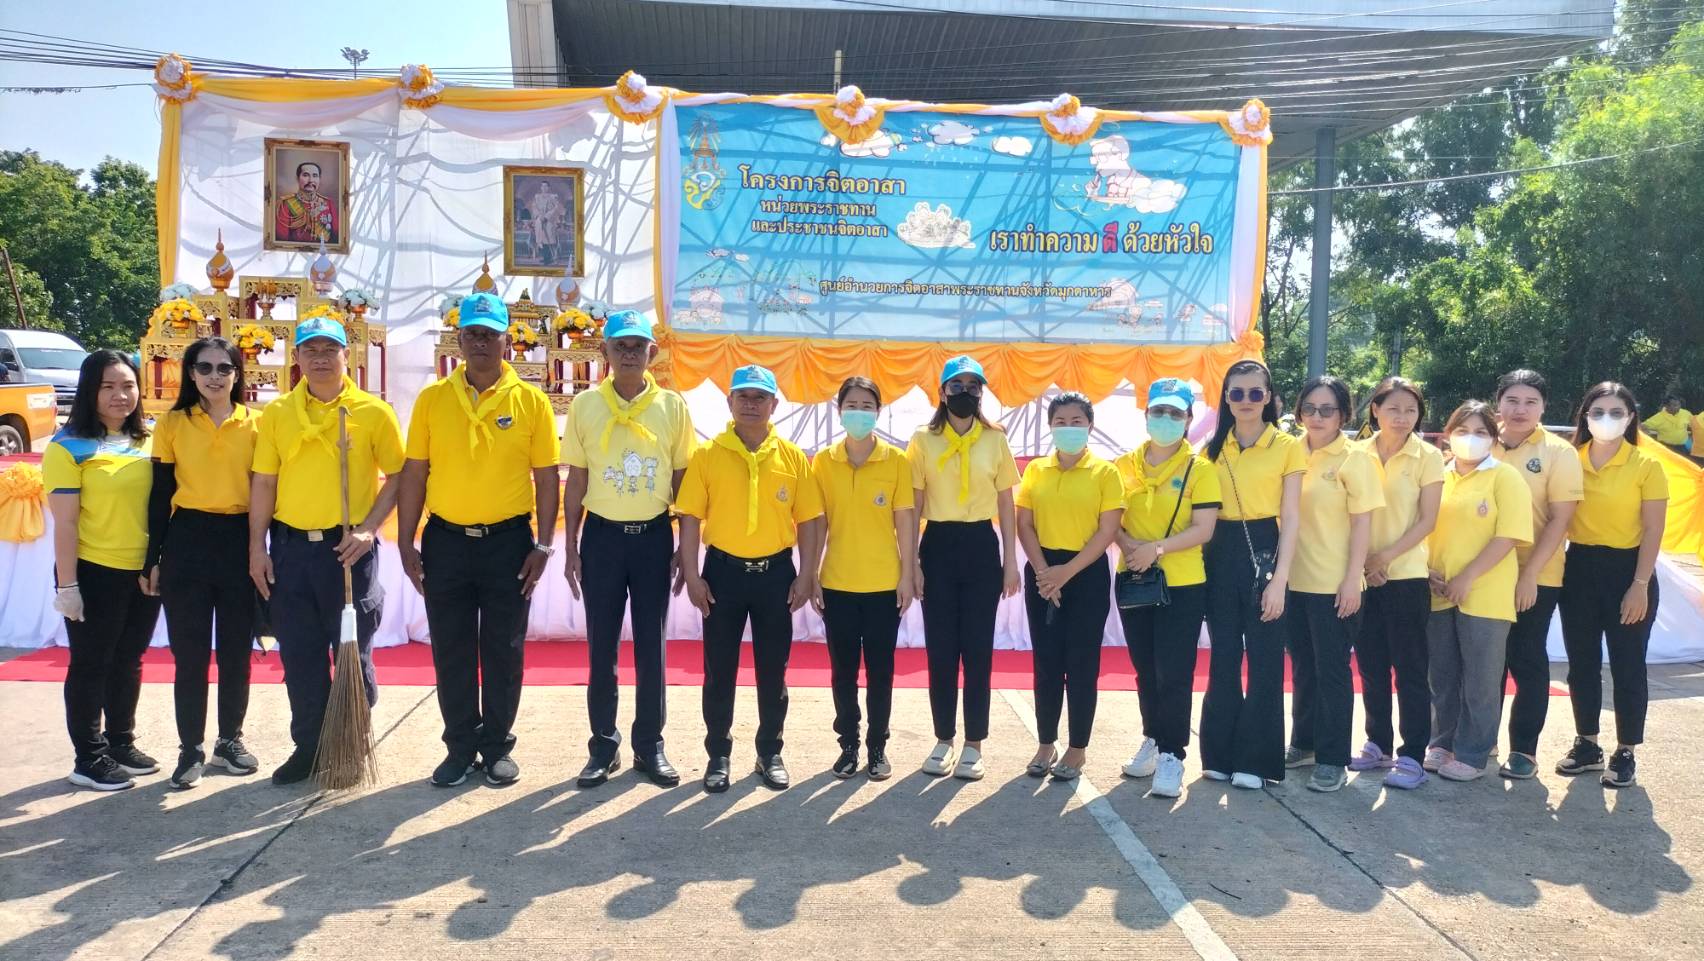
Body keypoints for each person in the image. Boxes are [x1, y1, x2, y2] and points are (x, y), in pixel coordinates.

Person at [397, 293, 560, 788]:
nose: (481, 342)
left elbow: (546, 477)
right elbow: (415, 472)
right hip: (446, 541)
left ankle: (496, 748)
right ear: (459, 339)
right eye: (472, 334)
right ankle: (460, 747)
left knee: (503, 649)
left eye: (490, 334)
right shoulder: (432, 399)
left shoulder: (530, 401)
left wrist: (544, 545)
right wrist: (405, 541)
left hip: (507, 543)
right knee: (451, 648)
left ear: (507, 339)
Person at [249, 314, 404, 785]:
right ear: (296, 357)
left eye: (328, 349)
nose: (320, 358)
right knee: (300, 654)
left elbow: (399, 476)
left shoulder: (372, 411)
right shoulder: (278, 414)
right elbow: (264, 483)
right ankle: (310, 747)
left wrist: (370, 529)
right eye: (310, 350)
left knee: (352, 652)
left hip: (347, 550)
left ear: (345, 355)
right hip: (292, 550)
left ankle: (351, 741)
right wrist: (257, 547)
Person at [561, 310, 694, 788]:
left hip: (653, 538)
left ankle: (649, 745)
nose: (631, 354)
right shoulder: (585, 405)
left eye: (639, 346)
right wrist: (571, 546)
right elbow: (576, 479)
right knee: (602, 646)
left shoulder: (672, 407)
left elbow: (683, 480)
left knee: (651, 646)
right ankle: (603, 745)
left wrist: (685, 547)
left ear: (652, 353)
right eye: (621, 346)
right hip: (602, 539)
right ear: (605, 352)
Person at [677, 365, 824, 793]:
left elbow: (809, 520)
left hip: (775, 575)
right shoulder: (708, 454)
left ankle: (769, 752)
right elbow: (690, 518)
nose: (751, 404)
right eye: (742, 396)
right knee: (718, 669)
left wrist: (807, 574)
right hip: (722, 574)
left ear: (774, 404)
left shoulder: (792, 457)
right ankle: (718, 755)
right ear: (729, 402)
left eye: (760, 397)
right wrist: (692, 575)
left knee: (773, 670)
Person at [146, 337, 261, 789]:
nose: (215, 376)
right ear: (190, 373)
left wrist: (262, 550)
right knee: (190, 654)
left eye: (224, 368)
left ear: (237, 374)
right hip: (187, 541)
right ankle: (190, 748)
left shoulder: (257, 424)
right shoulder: (172, 423)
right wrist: (152, 558)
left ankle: (230, 740)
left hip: (239, 541)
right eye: (205, 367)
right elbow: (160, 495)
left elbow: (266, 491)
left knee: (236, 652)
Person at [46, 350, 159, 791]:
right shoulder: (67, 446)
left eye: (128, 386)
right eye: (107, 386)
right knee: (92, 664)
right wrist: (68, 585)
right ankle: (89, 758)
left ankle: (120, 742)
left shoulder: (148, 439)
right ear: (89, 391)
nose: (120, 395)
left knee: (129, 660)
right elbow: (66, 523)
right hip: (94, 571)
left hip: (142, 571)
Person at [907, 355, 1021, 781]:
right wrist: (912, 563)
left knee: (977, 650)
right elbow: (914, 503)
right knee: (940, 649)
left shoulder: (994, 439)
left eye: (974, 387)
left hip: (980, 546)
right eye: (957, 386)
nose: (965, 394)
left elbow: (1006, 502)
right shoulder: (923, 439)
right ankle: (943, 738)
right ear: (942, 393)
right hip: (937, 544)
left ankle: (974, 743)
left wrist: (1010, 562)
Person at [1556, 382, 1667, 789]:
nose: (1606, 419)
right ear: (1585, 416)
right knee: (1581, 662)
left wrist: (1640, 584)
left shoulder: (1646, 465)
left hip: (1629, 571)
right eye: (1598, 411)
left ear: (1631, 418)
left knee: (1627, 664)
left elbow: (1653, 529)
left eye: (1616, 412)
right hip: (1579, 567)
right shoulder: (1569, 460)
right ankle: (1587, 743)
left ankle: (1626, 750)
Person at [1200, 359, 1305, 789]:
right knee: (1223, 655)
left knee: (1264, 659)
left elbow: (1292, 517)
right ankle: (1219, 754)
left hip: (1265, 548)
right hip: (1218, 551)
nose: (1246, 400)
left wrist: (1280, 580)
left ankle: (1256, 760)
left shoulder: (1287, 446)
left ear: (1269, 398)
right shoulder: (1211, 448)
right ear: (1226, 398)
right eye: (1237, 393)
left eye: (1255, 393)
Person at [1114, 379, 1219, 799]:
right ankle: (1153, 738)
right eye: (1158, 411)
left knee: (1173, 671)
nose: (1165, 419)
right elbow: (1110, 519)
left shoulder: (1201, 469)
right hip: (1133, 578)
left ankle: (1173, 753)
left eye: (1175, 413)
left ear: (1189, 419)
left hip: (1182, 583)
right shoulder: (1122, 465)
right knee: (1144, 668)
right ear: (1146, 415)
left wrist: (1155, 549)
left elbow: (1204, 528)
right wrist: (1129, 547)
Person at [811, 377, 916, 781]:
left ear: (878, 412)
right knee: (842, 672)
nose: (859, 413)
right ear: (839, 411)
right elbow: (818, 522)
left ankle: (877, 746)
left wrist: (907, 574)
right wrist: (811, 573)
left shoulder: (896, 461)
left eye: (867, 406)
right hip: (837, 583)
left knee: (880, 672)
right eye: (851, 405)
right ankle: (848, 745)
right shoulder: (824, 462)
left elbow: (905, 521)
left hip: (883, 585)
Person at [1015, 392, 1124, 781]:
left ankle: (1077, 749)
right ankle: (1046, 743)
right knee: (1046, 663)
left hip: (1086, 572)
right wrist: (1045, 572)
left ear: (1090, 426)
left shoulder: (1106, 473)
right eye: (1060, 421)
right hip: (1043, 573)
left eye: (1077, 421)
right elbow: (1024, 523)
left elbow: (1107, 530)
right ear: (1050, 426)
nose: (1068, 428)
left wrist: (1067, 572)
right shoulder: (1036, 470)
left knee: (1081, 664)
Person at [1283, 376, 1384, 793]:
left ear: (1344, 414)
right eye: (1309, 408)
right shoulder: (1290, 451)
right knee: (1303, 668)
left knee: (1332, 672)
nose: (1317, 417)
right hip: (1292, 581)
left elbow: (1363, 525)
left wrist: (1352, 579)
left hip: (1334, 585)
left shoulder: (1355, 458)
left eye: (1327, 409)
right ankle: (1304, 742)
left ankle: (1332, 758)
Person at [1426, 402, 1533, 782]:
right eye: (1462, 431)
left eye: (1480, 432)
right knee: (1442, 675)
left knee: (1481, 680)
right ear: (1447, 434)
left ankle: (1472, 753)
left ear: (1493, 438)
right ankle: (1442, 742)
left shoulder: (1505, 477)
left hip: (1485, 594)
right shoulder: (1439, 476)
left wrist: (1467, 577)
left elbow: (1509, 536)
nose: (1470, 439)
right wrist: (1427, 570)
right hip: (1439, 591)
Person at [1493, 370, 1582, 779]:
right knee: (1485, 662)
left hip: (1537, 573)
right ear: (1498, 403)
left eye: (1531, 402)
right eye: (1512, 400)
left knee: (1526, 658)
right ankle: (1479, 741)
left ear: (1544, 407)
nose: (1520, 409)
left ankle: (1524, 750)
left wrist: (1529, 574)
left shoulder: (1559, 453)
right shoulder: (1481, 442)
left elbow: (1561, 520)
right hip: (1484, 571)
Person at [1355, 377, 1443, 790]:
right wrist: (1365, 564)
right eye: (1393, 408)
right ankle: (1378, 743)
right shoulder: (1357, 453)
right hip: (1362, 575)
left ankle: (1412, 756)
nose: (1402, 417)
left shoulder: (1428, 456)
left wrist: (1384, 558)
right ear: (1375, 410)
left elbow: (1428, 520)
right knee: (1371, 664)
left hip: (1406, 576)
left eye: (1411, 410)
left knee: (1410, 668)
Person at [274, 161, 339, 245]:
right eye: (305, 175)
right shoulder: (285, 204)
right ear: (297, 178)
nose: (311, 180)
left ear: (319, 179)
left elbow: (336, 235)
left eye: (315, 176)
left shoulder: (328, 203)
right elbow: (281, 238)